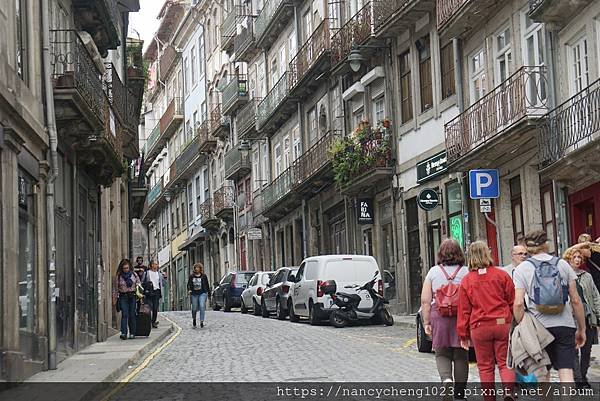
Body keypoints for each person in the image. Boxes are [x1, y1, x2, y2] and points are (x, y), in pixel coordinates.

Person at [513, 230, 587, 384]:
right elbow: (575, 300)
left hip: (539, 328)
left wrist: (523, 325)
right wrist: (581, 329)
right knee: (566, 371)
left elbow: (519, 302)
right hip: (565, 324)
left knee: (543, 375)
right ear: (546, 244)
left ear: (527, 248)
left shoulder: (522, 269)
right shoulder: (563, 264)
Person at [457, 241, 515, 401]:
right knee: (505, 362)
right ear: (487, 254)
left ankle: (489, 398)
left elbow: (464, 310)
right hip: (502, 323)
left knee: (485, 366)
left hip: (480, 326)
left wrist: (463, 334)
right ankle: (509, 392)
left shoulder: (467, 281)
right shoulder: (501, 275)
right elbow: (512, 300)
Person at [420, 238, 469, 400]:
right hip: (461, 316)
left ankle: (446, 379)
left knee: (441, 352)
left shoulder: (433, 272)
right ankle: (460, 393)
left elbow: (425, 300)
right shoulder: (466, 272)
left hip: (439, 316)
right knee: (461, 354)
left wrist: (426, 322)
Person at [563, 246, 600, 389]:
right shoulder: (563, 275)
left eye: (580, 258)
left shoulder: (587, 276)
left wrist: (598, 315)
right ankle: (578, 380)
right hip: (570, 318)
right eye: (574, 257)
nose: (578, 260)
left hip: (587, 317)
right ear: (568, 259)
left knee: (587, 350)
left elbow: (596, 297)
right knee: (573, 350)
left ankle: (583, 376)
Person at [113, 259, 141, 340]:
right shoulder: (119, 276)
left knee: (132, 314)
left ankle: (132, 333)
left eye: (127, 268)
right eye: (124, 268)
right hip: (123, 296)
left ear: (129, 267)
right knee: (125, 315)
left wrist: (140, 295)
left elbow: (138, 284)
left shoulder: (134, 275)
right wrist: (114, 299)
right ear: (121, 268)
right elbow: (115, 288)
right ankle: (123, 333)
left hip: (132, 296)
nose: (126, 270)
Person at [142, 260, 164, 328]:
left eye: (157, 264)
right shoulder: (146, 273)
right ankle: (148, 322)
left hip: (157, 292)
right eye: (155, 264)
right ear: (151, 265)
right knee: (149, 308)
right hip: (149, 292)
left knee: (155, 308)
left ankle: (153, 322)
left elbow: (162, 283)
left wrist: (164, 278)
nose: (157, 265)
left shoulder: (159, 274)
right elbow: (142, 282)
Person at [187, 263, 210, 328]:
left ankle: (201, 321)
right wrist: (189, 290)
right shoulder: (191, 276)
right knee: (194, 308)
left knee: (202, 306)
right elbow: (188, 284)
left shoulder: (204, 276)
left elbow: (207, 285)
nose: (196, 269)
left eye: (198, 268)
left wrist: (209, 294)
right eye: (195, 268)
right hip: (194, 294)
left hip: (202, 293)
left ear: (200, 269)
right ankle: (194, 319)